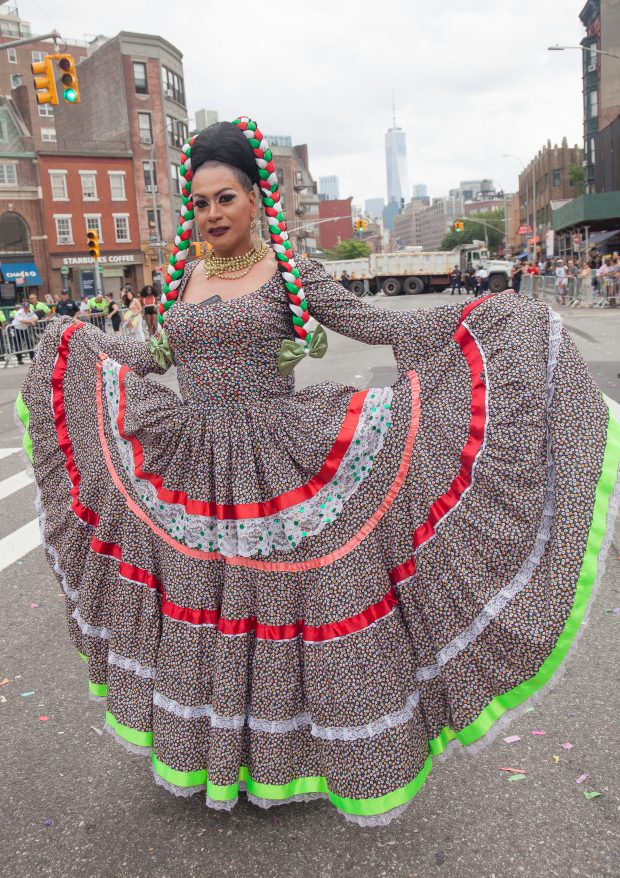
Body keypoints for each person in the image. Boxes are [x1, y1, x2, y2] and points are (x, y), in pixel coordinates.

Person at [18, 117, 619, 826]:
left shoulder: (292, 275)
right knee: (210, 610)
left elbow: (379, 326)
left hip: (282, 461)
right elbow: (155, 360)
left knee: (294, 608)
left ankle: (297, 759)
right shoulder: (181, 278)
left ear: (254, 200)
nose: (211, 214)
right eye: (200, 202)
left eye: (225, 199)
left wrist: (483, 320)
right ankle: (226, 756)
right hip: (196, 467)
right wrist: (83, 346)